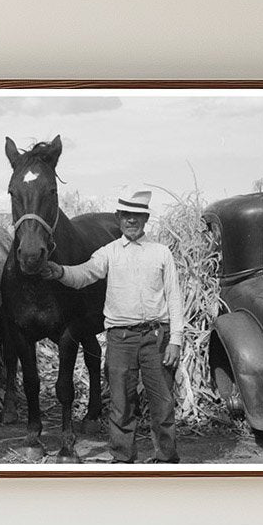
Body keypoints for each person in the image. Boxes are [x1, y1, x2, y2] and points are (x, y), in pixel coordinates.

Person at [42, 186, 184, 464]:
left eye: (137, 215)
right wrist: (59, 272)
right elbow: (84, 274)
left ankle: (166, 460)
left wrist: (176, 339)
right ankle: (122, 460)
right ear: (119, 218)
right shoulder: (108, 252)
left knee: (163, 404)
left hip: (157, 337)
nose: (132, 220)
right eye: (126, 215)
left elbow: (175, 297)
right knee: (121, 405)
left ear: (146, 219)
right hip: (120, 339)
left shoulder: (161, 253)